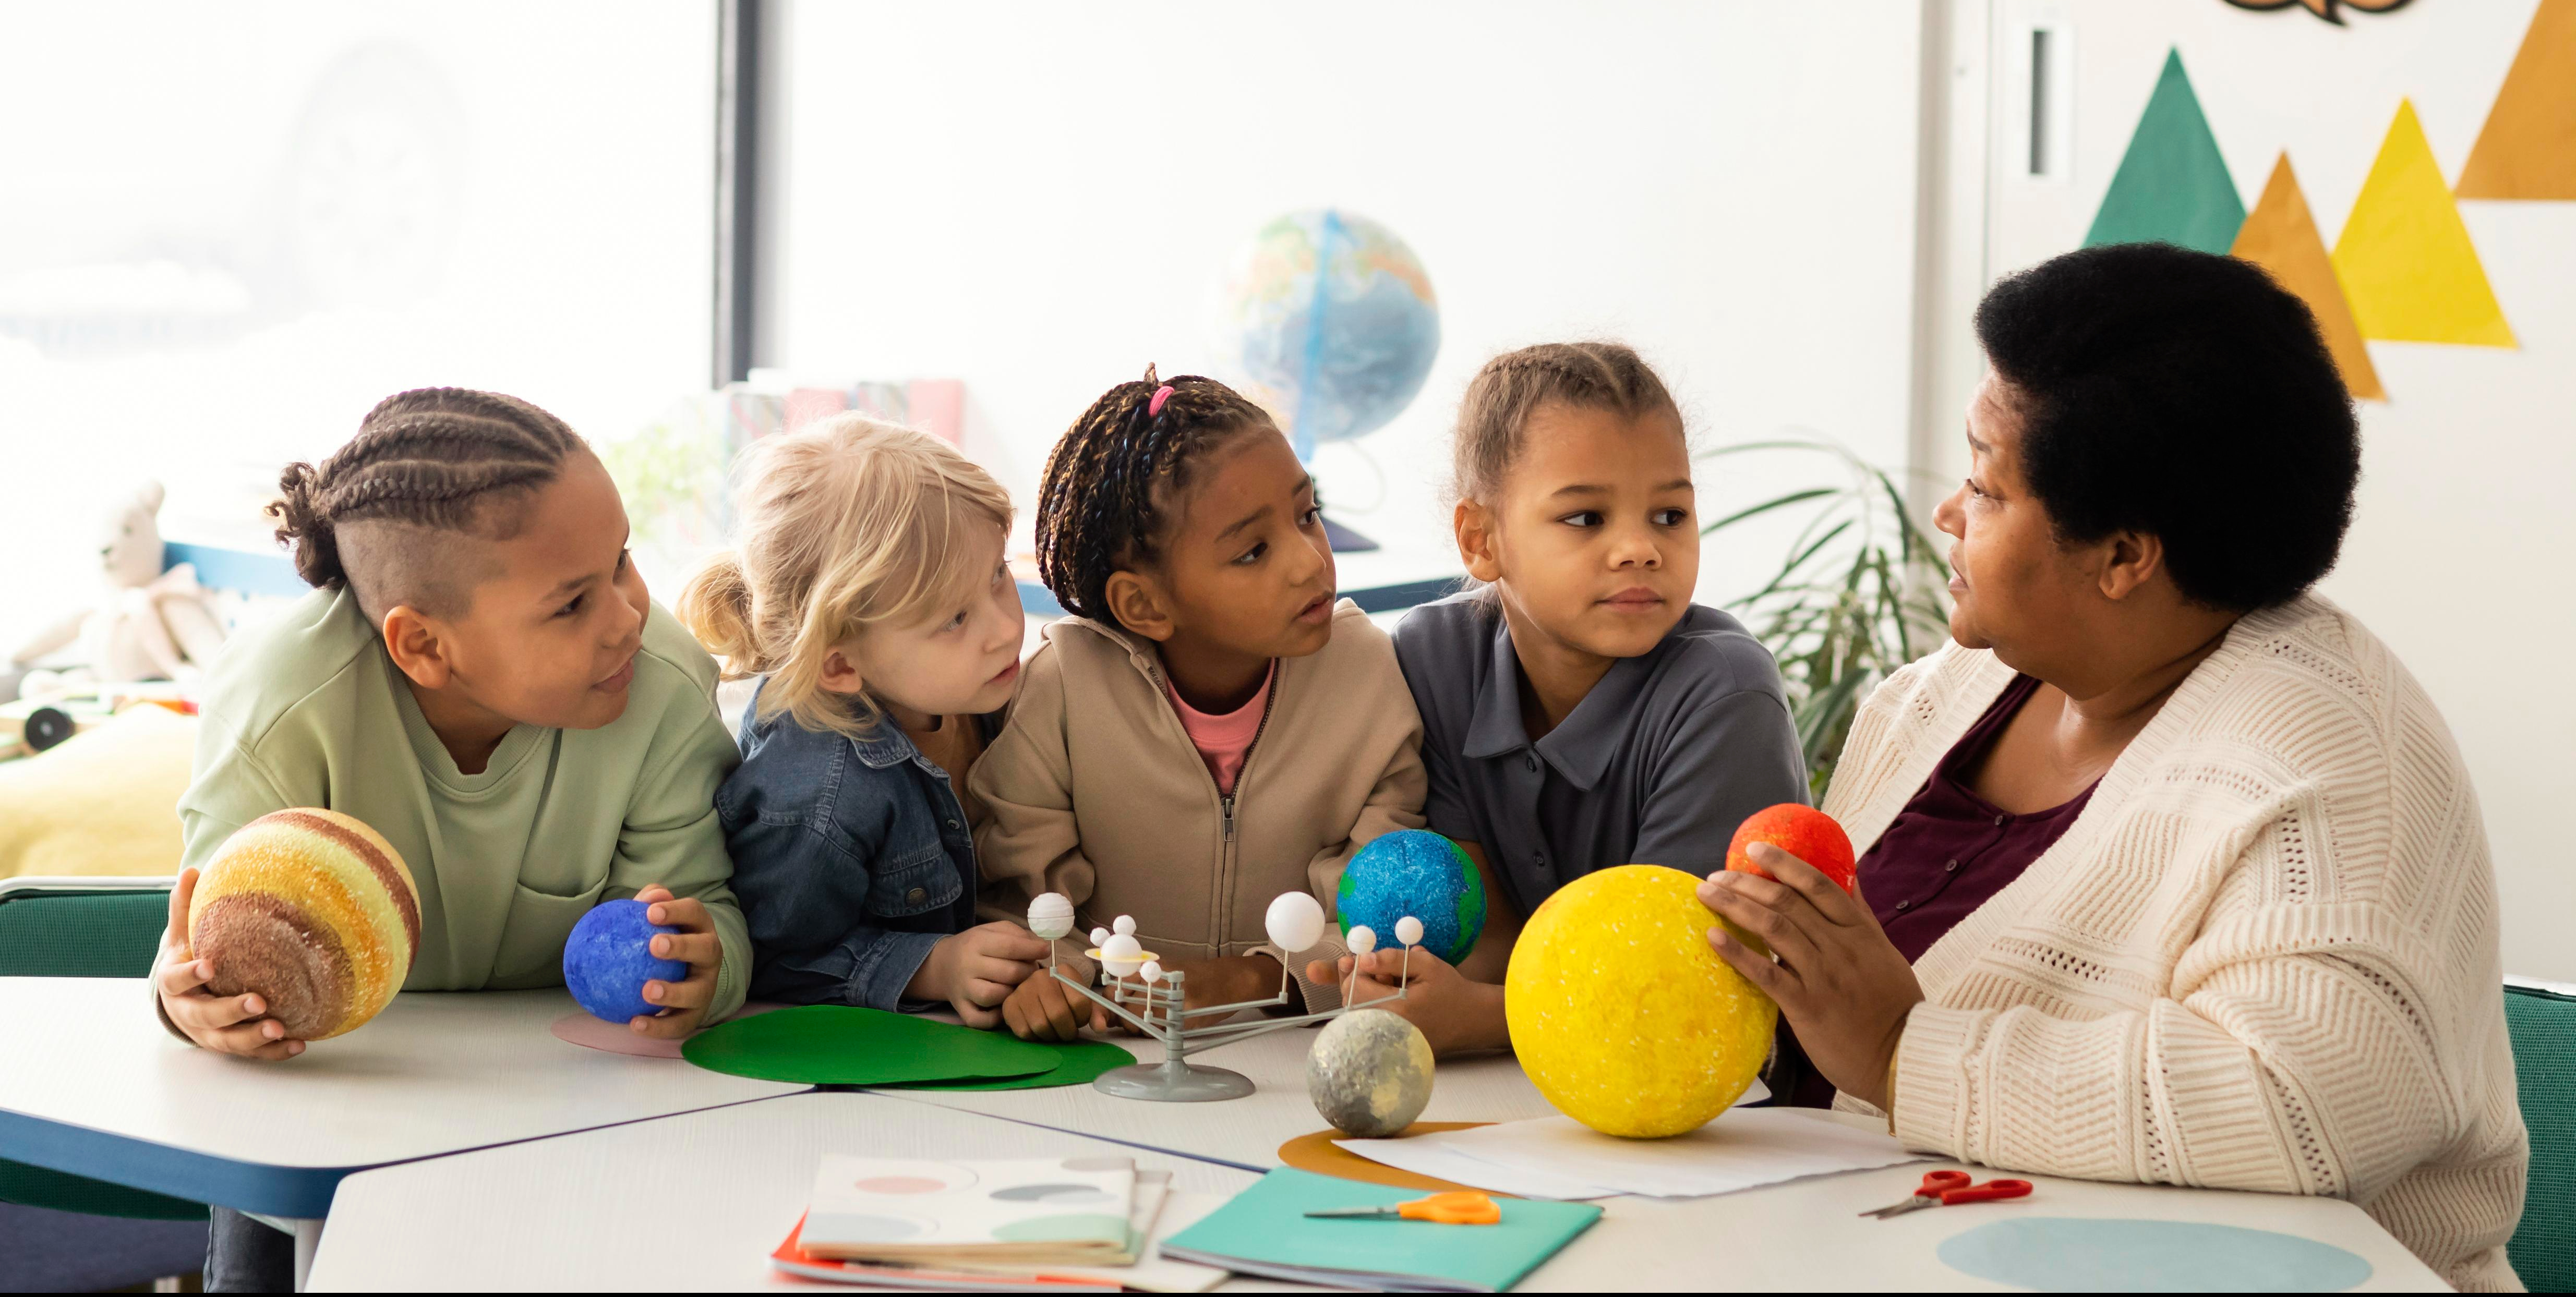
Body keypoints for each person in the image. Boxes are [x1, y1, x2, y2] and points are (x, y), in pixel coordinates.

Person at [1695, 244, 2527, 1290]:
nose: (1948, 513)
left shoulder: (2331, 762)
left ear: (2125, 556)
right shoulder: (1937, 695)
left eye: (1987, 486)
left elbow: (2306, 1108)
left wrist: (1910, 1050)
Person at [150, 388, 749, 1290]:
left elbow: (713, 911)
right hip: (332, 1092)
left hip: (573, 1099)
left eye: (622, 560)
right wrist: (187, 1002)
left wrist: (706, 969)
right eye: (573, 602)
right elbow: (197, 950)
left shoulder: (658, 684)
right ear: (423, 646)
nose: (628, 614)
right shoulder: (283, 706)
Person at [1306, 342, 1807, 1056]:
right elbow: (1489, 940)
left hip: (1707, 1102)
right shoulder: (1436, 657)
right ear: (1481, 541)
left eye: (1669, 514)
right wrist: (1412, 985)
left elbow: (1671, 985)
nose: (1640, 548)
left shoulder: (1725, 697)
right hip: (1530, 1086)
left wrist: (1481, 1019)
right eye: (1585, 518)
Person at [975, 367, 1427, 1040]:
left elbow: (1383, 917)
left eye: (1308, 515)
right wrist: (1052, 981)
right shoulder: (1065, 687)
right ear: (1145, 604)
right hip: (1110, 1057)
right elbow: (1020, 905)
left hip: (1299, 1049)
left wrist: (1252, 976)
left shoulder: (1368, 676)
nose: (1309, 561)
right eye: (1252, 550)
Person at [680, 415, 1051, 1024]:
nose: (1007, 628)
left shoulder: (989, 694)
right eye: (956, 619)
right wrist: (935, 965)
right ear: (840, 665)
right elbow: (771, 957)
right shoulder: (818, 790)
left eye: (997, 575)